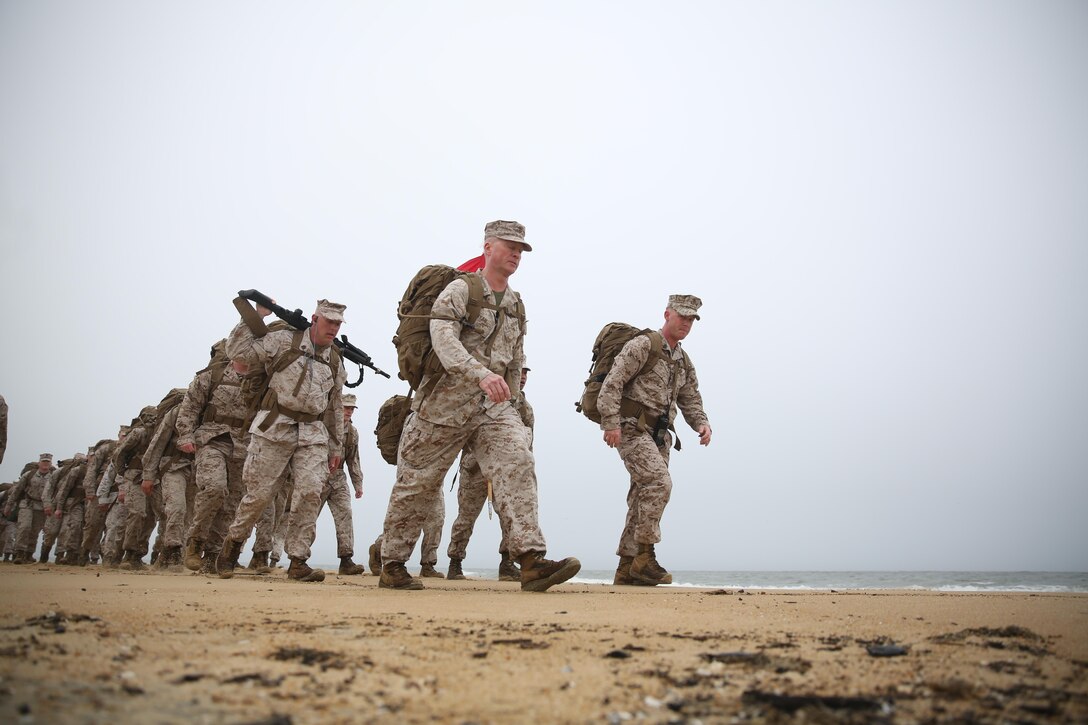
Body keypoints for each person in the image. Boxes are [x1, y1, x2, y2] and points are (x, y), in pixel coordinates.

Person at [379, 219, 579, 591]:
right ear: (488, 248)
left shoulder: (517, 304)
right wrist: (478, 373)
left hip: (493, 410)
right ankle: (392, 562)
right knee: (418, 483)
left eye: (521, 249)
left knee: (517, 462)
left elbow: (517, 356)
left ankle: (531, 559)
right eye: (509, 246)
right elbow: (442, 336)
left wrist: (514, 400)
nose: (516, 254)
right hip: (442, 405)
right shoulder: (461, 290)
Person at [215, 299, 347, 583]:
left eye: (338, 324)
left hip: (313, 434)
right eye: (329, 322)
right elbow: (238, 351)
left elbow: (334, 404)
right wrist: (254, 317)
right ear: (315, 319)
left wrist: (337, 446)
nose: (334, 328)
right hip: (274, 427)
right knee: (259, 495)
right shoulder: (283, 340)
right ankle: (232, 546)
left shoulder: (334, 358)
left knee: (310, 492)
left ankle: (298, 560)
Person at [597, 294, 712, 586]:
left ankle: (626, 569)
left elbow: (690, 397)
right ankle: (646, 557)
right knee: (659, 484)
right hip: (631, 429)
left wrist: (701, 423)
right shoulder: (643, 345)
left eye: (691, 319)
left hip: (660, 437)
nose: (686, 323)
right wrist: (610, 423)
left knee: (641, 496)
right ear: (667, 314)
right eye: (681, 316)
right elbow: (613, 383)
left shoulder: (682, 360)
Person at [446, 367, 533, 581]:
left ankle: (507, 563)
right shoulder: (481, 397)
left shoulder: (523, 406)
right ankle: (455, 562)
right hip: (474, 468)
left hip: (505, 471)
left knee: (509, 517)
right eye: (518, 372)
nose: (521, 377)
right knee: (466, 518)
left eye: (525, 374)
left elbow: (527, 440)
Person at [176, 340, 249, 572]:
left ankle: (214, 554)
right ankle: (196, 542)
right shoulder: (211, 376)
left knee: (232, 504)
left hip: (243, 446)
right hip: (211, 440)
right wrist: (185, 435)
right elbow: (189, 408)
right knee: (215, 489)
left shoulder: (260, 379)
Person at [319, 393, 365, 575]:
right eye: (346, 407)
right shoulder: (323, 426)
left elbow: (354, 460)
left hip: (339, 478)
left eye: (352, 408)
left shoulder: (352, 433)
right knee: (307, 516)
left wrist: (358, 484)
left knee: (345, 515)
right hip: (319, 474)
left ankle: (346, 560)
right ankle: (298, 558)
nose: (349, 412)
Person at [5, 453, 56, 563]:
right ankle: (19, 553)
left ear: (51, 464)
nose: (45, 464)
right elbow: (17, 491)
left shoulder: (53, 476)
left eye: (47, 462)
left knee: (34, 531)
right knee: (24, 527)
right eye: (43, 462)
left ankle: (28, 554)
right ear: (39, 463)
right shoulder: (29, 475)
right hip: (27, 504)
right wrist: (9, 505)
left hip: (42, 507)